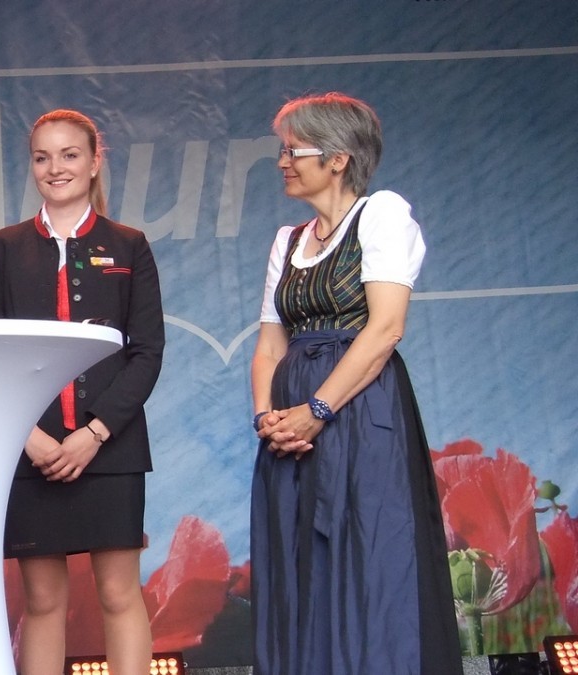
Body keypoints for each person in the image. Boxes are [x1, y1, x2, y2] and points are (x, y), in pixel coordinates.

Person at [249, 92, 462, 674]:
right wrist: (268, 417)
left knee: (367, 549)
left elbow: (385, 327)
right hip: (291, 422)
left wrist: (317, 409)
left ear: (338, 158)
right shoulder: (287, 240)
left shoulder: (382, 215)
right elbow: (269, 346)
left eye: (294, 150)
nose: (283, 161)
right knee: (298, 557)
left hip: (359, 412)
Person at [0, 109, 164, 675]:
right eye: (42, 157)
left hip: (112, 447)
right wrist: (29, 438)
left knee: (119, 595)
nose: (56, 168)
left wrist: (95, 433)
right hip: (32, 451)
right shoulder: (3, 247)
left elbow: (147, 352)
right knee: (43, 601)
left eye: (70, 155)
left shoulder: (129, 245)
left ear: (95, 161)